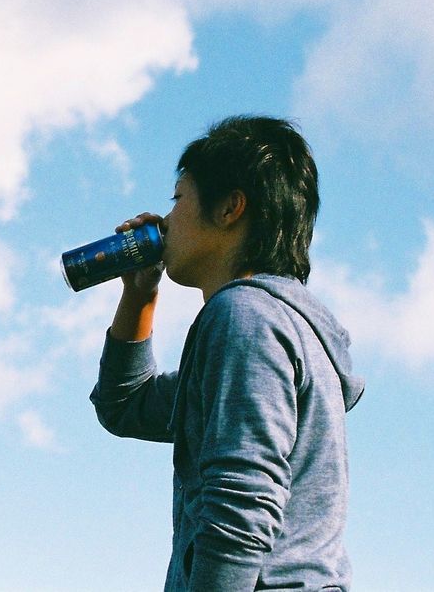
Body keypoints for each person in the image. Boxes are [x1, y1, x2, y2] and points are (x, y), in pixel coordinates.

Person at [90, 116, 364, 591]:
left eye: (178, 199)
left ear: (230, 208)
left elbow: (241, 505)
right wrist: (139, 297)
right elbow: (125, 405)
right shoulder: (280, 327)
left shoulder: (244, 318)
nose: (168, 218)